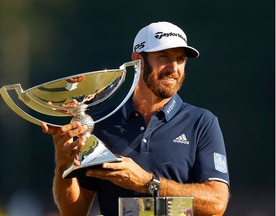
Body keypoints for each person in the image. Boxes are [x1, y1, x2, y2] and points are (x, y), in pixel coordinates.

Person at [41, 21, 230, 216]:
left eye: (180, 59)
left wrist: (148, 183)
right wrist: (63, 166)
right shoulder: (101, 124)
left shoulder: (201, 122)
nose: (174, 68)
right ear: (138, 61)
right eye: (163, 57)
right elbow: (74, 212)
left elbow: (216, 203)